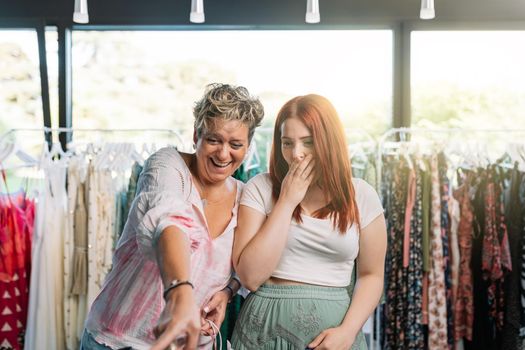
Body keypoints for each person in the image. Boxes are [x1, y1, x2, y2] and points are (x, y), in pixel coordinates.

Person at [80, 83, 264, 350]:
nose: (224, 154)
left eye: (235, 144)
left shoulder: (246, 197)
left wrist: (228, 291)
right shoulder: (167, 165)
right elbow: (168, 220)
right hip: (117, 339)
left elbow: (246, 261)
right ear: (195, 135)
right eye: (214, 140)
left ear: (247, 147)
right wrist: (179, 291)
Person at [231, 94, 387, 350]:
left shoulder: (362, 195)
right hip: (262, 333)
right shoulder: (259, 187)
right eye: (287, 143)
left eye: (308, 142)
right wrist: (287, 201)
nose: (297, 154)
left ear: (329, 142)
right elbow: (249, 276)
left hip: (336, 337)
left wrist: (348, 332)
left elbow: (371, 276)